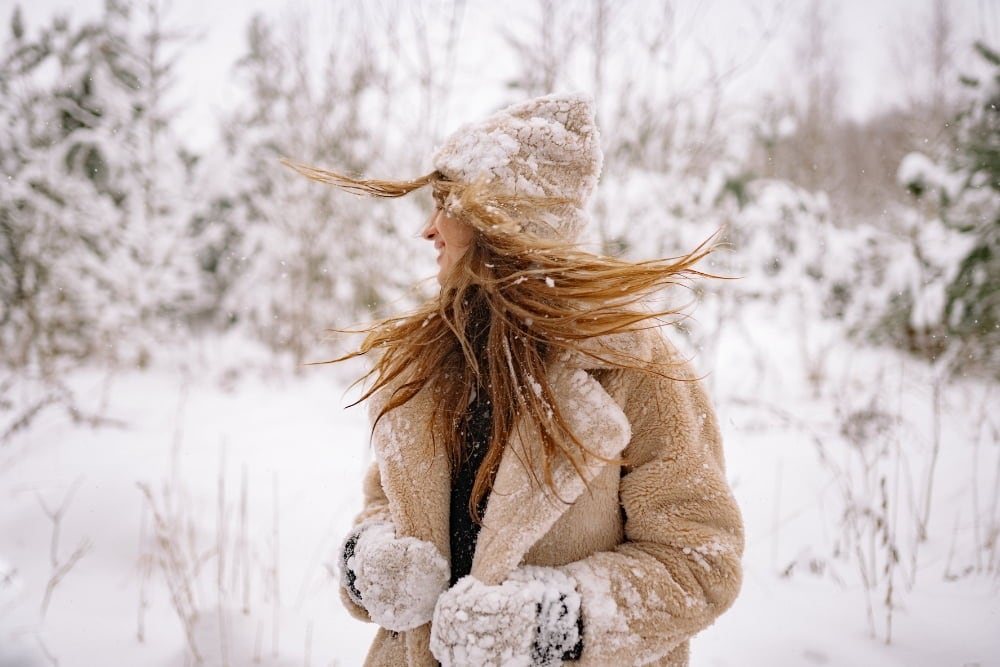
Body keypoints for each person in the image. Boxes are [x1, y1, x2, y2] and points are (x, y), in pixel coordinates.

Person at [283, 92, 744, 667]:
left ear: (503, 220)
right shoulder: (430, 366)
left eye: (446, 204)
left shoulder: (636, 370)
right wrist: (370, 562)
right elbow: (383, 504)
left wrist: (548, 625)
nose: (429, 230)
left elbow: (700, 561)